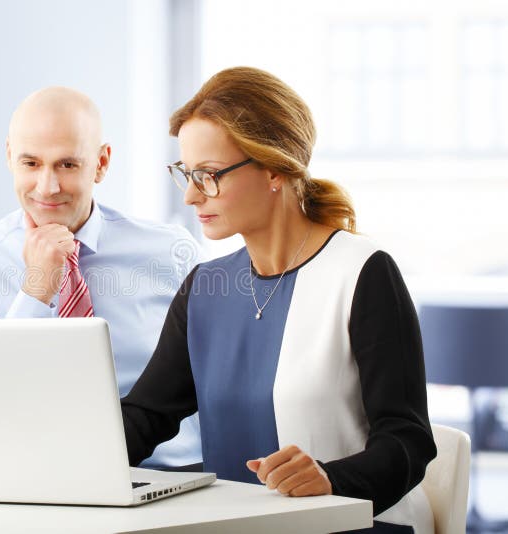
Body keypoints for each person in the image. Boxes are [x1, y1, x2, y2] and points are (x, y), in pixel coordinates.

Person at [120, 67, 436, 533]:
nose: (190, 195)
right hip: (237, 524)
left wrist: (330, 478)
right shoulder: (206, 287)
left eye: (208, 176)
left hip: (350, 522)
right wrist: (60, 466)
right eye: (186, 175)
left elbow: (408, 440)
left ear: (274, 168)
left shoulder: (362, 274)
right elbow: (147, 415)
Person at [0, 86, 203, 469]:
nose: (47, 187)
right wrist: (38, 286)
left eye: (67, 164)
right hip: (33, 477)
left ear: (102, 162)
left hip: (169, 477)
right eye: (30, 164)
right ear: (9, 156)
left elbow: (208, 382)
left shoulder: (171, 253)